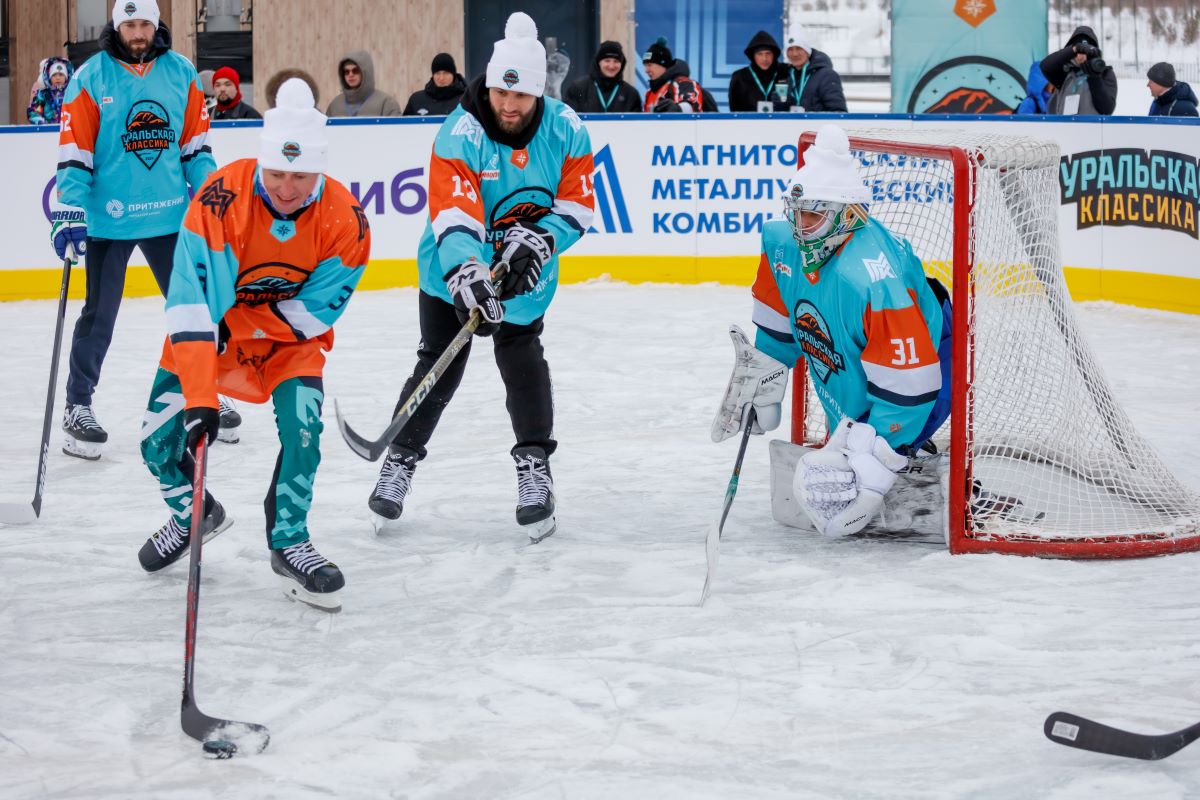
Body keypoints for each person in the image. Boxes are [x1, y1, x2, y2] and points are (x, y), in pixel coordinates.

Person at [138, 78, 370, 612]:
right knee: (155, 443)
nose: (288, 187)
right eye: (277, 173)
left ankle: (290, 540)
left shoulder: (346, 220)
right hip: (208, 339)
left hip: (288, 345)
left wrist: (236, 322)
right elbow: (193, 305)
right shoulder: (221, 198)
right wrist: (200, 397)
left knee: (304, 433)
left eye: (301, 175)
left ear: (320, 170)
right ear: (262, 163)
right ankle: (192, 513)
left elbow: (311, 314)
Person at [367, 12, 594, 542]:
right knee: (440, 362)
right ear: (488, 84)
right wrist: (467, 270)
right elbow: (453, 213)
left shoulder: (566, 128)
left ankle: (534, 462)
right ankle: (399, 459)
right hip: (450, 265)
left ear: (538, 93)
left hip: (526, 269)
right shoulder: (460, 131)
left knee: (522, 355)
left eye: (521, 97)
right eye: (500, 93)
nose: (509, 106)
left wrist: (540, 240)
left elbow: (578, 205)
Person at [712, 125, 952, 538]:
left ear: (849, 214)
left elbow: (911, 383)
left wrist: (879, 460)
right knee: (847, 412)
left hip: (923, 354)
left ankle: (906, 451)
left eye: (814, 215)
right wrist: (768, 373)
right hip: (853, 344)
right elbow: (779, 309)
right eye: (797, 212)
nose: (801, 226)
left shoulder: (877, 281)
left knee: (884, 434)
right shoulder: (781, 241)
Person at [52, 0, 240, 460]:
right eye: (129, 24)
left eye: (145, 24)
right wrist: (70, 210)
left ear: (156, 26)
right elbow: (76, 151)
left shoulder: (180, 73)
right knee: (99, 317)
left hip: (169, 217)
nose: (137, 33)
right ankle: (78, 406)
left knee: (194, 309)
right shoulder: (91, 76)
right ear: (117, 26)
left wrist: (210, 196)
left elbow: (195, 148)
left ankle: (207, 390)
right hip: (107, 220)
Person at [1039, 26, 1117, 115]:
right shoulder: (1065, 72)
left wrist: (1094, 77)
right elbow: (1045, 66)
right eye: (1078, 53)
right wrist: (1074, 49)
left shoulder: (1105, 73)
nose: (1081, 56)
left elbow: (1107, 109)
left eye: (1085, 52)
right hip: (1064, 127)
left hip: (1092, 127)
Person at [779, 25, 847, 113]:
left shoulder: (826, 76)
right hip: (791, 126)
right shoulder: (786, 76)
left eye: (799, 48)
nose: (794, 54)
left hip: (818, 126)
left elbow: (839, 112)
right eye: (790, 49)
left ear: (808, 52)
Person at [563, 40, 642, 114]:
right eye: (607, 60)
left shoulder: (631, 93)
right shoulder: (578, 88)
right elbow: (567, 119)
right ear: (598, 62)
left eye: (616, 61)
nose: (611, 66)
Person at [642, 38, 714, 113]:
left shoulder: (682, 83)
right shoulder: (649, 93)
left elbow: (693, 106)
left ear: (663, 65)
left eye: (649, 65)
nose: (646, 70)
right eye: (645, 65)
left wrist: (678, 108)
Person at [326, 50, 401, 117]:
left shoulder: (386, 103)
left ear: (366, 72)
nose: (350, 75)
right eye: (346, 72)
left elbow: (396, 131)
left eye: (355, 70)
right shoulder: (335, 105)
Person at [727, 31, 785, 112]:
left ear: (774, 55)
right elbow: (734, 110)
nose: (764, 59)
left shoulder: (785, 72)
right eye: (759, 54)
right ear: (753, 56)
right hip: (749, 123)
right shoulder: (739, 77)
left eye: (768, 53)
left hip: (781, 123)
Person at [402, 53, 467, 116]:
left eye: (446, 73)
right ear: (433, 75)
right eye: (437, 73)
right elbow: (404, 125)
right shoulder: (416, 100)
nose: (441, 78)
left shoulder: (467, 99)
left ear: (453, 75)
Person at [27, 57, 73, 124]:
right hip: (48, 131)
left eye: (61, 75)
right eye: (54, 75)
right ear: (49, 77)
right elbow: (35, 112)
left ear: (66, 77)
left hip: (67, 130)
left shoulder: (71, 93)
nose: (58, 78)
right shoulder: (44, 94)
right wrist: (41, 123)